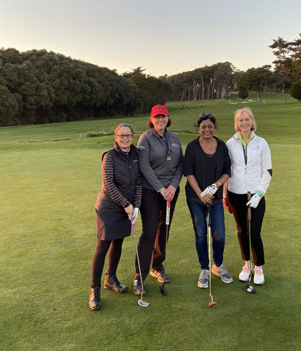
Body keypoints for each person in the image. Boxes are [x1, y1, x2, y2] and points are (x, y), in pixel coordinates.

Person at [89, 124, 142, 310]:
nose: (125, 138)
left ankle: (110, 278)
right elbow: (109, 185)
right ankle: (94, 290)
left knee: (118, 243)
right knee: (103, 246)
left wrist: (136, 205)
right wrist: (127, 205)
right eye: (122, 135)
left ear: (133, 136)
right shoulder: (109, 156)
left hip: (126, 208)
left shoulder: (137, 155)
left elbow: (139, 183)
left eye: (128, 135)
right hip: (108, 208)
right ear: (116, 137)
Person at [134, 104, 183, 295]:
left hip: (171, 191)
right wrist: (161, 188)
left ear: (168, 118)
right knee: (150, 231)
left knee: (165, 227)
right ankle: (140, 274)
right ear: (152, 119)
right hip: (151, 191)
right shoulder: (145, 138)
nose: (160, 120)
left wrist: (172, 186)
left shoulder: (175, 138)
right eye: (157, 117)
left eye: (163, 117)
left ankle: (157, 265)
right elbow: (144, 166)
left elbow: (180, 164)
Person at [184, 113, 233, 289]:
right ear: (198, 128)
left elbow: (227, 171)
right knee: (201, 234)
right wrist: (201, 194)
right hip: (195, 198)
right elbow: (189, 173)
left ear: (214, 128)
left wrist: (215, 186)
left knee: (219, 234)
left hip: (216, 198)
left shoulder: (221, 146)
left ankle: (217, 265)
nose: (207, 129)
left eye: (210, 126)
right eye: (203, 126)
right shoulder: (192, 147)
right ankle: (204, 268)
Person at [224, 107, 272, 285]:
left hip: (256, 194)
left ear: (252, 122)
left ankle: (258, 266)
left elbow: (267, 170)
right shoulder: (230, 143)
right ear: (236, 123)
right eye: (240, 120)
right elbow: (227, 171)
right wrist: (225, 195)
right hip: (236, 193)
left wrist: (260, 193)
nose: (244, 123)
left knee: (255, 232)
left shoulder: (261, 143)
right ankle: (246, 264)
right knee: (242, 231)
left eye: (247, 119)